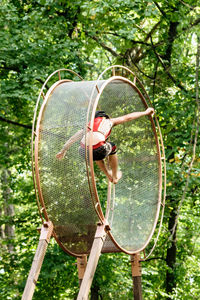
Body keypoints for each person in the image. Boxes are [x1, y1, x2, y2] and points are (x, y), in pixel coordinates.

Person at [56, 108, 154, 184]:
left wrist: (63, 151)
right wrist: (145, 112)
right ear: (105, 117)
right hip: (98, 149)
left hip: (83, 151)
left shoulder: (88, 125)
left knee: (95, 150)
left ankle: (108, 174)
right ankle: (114, 176)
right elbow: (128, 117)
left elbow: (72, 139)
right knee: (111, 147)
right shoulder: (108, 121)